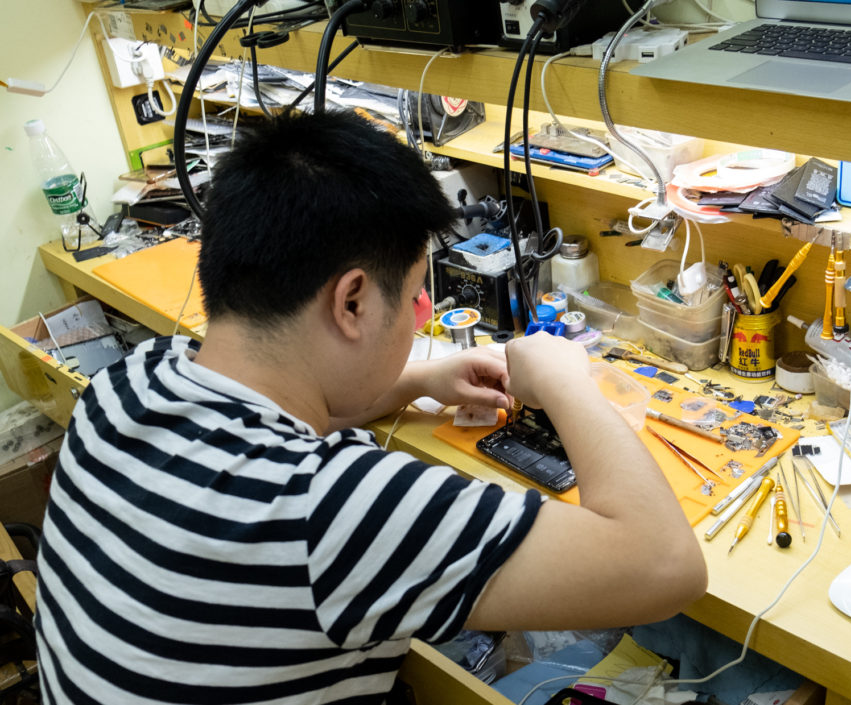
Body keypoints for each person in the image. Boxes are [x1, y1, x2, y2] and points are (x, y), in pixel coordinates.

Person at [33, 110, 706, 704]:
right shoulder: (332, 512)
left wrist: (419, 377)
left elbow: (280, 404)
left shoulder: (128, 387)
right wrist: (568, 381)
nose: (420, 319)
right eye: (417, 298)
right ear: (352, 302)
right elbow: (666, 565)